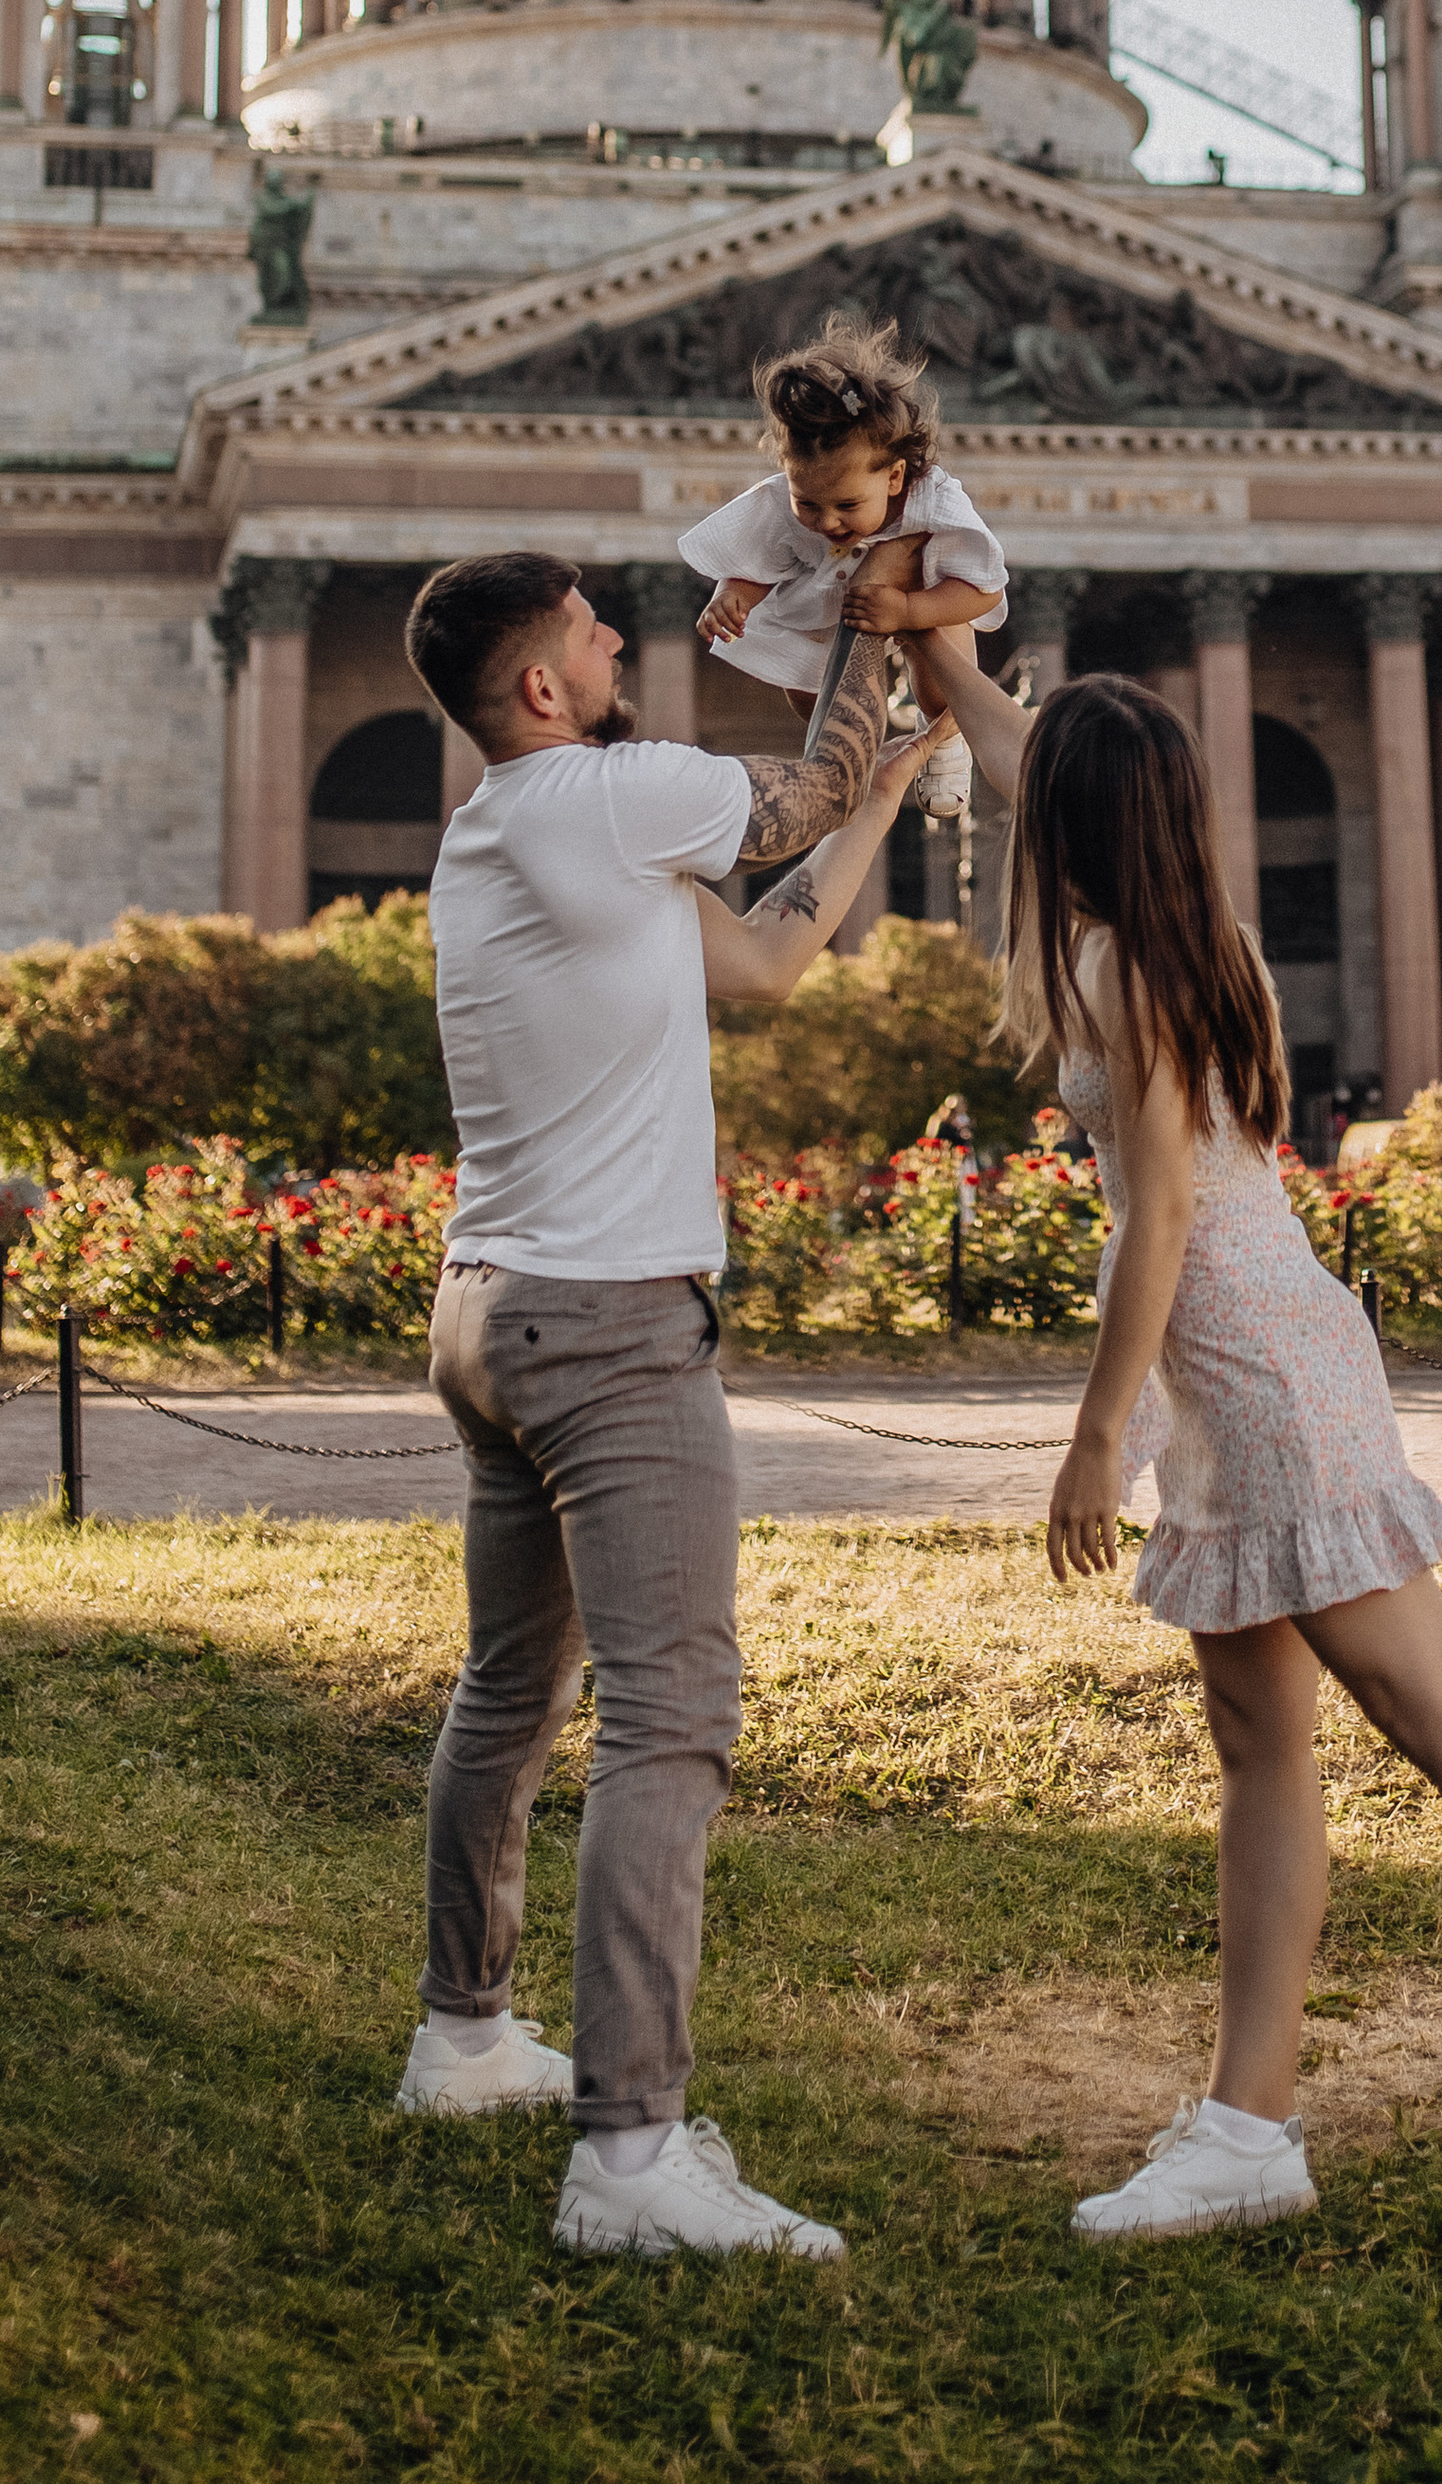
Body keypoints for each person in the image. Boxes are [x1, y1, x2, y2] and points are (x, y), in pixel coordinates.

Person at [911, 624, 1442, 2251]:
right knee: (1260, 1743)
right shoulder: (1173, 930)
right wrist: (938, 649)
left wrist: (1093, 1437)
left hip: (1263, 1373)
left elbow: (1160, 1222)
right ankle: (1249, 2128)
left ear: (1074, 825)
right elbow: (1030, 754)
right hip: (1246, 1371)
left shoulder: (1129, 969)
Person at [390, 547, 949, 2262]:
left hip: (493, 1312)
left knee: (511, 1688)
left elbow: (767, 959)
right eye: (589, 629)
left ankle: (464, 2036)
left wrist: (891, 790)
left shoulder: (520, 831)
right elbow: (803, 787)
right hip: (609, 1327)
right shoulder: (605, 794)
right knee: (670, 1714)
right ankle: (629, 2153)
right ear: (541, 686)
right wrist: (872, 613)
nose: (619, 639)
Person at [679, 318, 1003, 816]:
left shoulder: (933, 504)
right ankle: (858, 765)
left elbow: (983, 589)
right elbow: (754, 560)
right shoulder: (781, 504)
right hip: (824, 612)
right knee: (809, 696)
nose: (827, 521)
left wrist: (909, 611)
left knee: (944, 683)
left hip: (923, 600)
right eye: (807, 504)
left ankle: (943, 739)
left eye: (847, 505)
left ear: (894, 477)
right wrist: (731, 597)